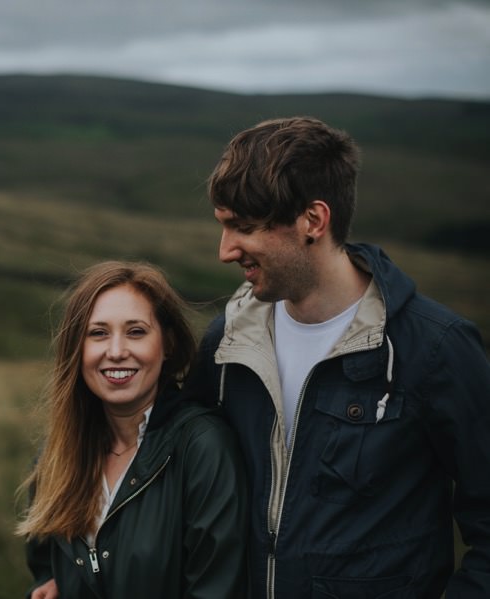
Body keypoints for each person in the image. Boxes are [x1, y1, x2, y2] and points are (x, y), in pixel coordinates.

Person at [192, 116, 490, 598]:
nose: (225, 250)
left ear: (313, 220)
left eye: (242, 227)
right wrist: (64, 569)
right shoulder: (227, 344)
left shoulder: (435, 348)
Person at [17, 261, 248, 599]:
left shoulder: (202, 447)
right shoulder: (57, 454)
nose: (116, 351)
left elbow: (218, 588)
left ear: (167, 342)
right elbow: (44, 560)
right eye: (98, 333)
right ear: (76, 349)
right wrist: (48, 585)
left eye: (136, 331)